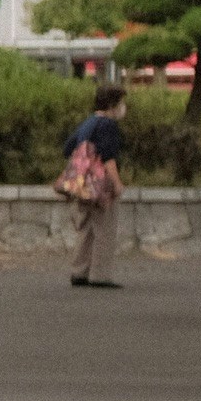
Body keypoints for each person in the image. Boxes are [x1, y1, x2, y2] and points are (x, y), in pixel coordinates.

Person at [62, 91, 126, 288]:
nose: (124, 108)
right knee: (105, 229)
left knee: (87, 228)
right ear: (113, 105)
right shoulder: (108, 125)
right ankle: (100, 275)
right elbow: (108, 157)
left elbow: (68, 148)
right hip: (100, 185)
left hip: (84, 184)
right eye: (122, 104)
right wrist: (117, 183)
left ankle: (79, 271)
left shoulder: (89, 122)